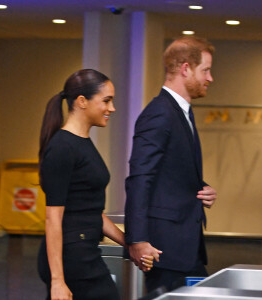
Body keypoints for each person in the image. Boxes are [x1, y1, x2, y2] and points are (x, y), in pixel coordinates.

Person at [37, 69, 154, 300]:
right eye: (106, 101)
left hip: (84, 251)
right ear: (82, 102)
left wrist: (130, 244)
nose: (112, 108)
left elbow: (91, 211)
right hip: (71, 256)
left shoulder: (82, 143)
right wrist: (57, 281)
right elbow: (53, 219)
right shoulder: (62, 148)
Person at [124, 36, 217, 293]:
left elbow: (171, 171)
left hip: (184, 245)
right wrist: (138, 239)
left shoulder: (181, 112)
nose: (210, 78)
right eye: (206, 70)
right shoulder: (159, 113)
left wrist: (201, 188)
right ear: (186, 68)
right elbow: (140, 177)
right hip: (166, 247)